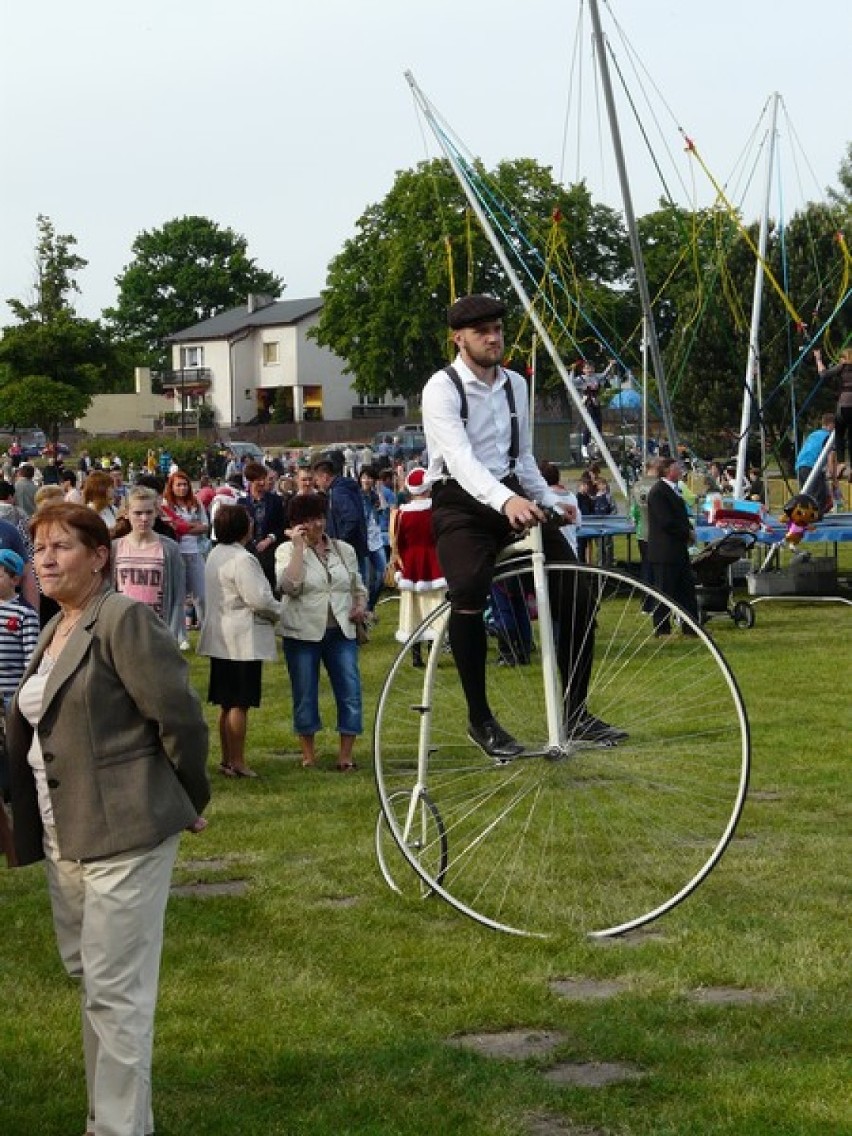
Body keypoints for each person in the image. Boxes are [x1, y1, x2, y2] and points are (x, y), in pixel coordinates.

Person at [5, 502, 209, 1136]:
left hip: (126, 827)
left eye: (61, 546)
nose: (45, 558)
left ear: (100, 556)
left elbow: (178, 717)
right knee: (90, 977)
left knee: (116, 991)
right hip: (64, 829)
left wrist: (187, 798)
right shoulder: (55, 625)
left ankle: (121, 1127)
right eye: (38, 548)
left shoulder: (120, 619)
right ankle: (106, 1116)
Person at [421, 293, 626, 757]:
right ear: (459, 338)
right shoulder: (442, 388)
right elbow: (461, 459)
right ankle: (481, 720)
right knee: (470, 587)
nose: (493, 338)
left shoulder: (515, 383)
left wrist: (547, 497)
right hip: (460, 500)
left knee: (577, 588)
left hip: (513, 494)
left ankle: (576, 711)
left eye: (497, 328)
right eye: (481, 331)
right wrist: (507, 499)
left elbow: (522, 455)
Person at [275, 492, 368, 771]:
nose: (317, 525)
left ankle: (346, 755)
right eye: (309, 520)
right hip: (302, 632)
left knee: (350, 689)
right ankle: (308, 755)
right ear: (297, 524)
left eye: (320, 517)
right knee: (305, 691)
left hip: (341, 630)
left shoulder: (344, 549)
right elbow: (290, 587)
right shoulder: (286, 551)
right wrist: (299, 548)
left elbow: (358, 586)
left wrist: (360, 605)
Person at [198, 504, 282, 780]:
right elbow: (258, 599)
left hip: (221, 636)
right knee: (239, 703)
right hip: (241, 639)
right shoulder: (243, 559)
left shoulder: (214, 554)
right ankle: (237, 760)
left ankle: (226, 759)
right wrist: (280, 611)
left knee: (225, 702)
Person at [111, 486, 187, 645]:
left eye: (148, 512)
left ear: (157, 512)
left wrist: (171, 636)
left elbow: (177, 597)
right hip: (121, 630)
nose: (144, 518)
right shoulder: (115, 548)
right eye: (138, 513)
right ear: (126, 513)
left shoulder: (169, 549)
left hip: (158, 631)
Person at [390, 466, 447, 668]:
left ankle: (416, 656)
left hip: (411, 564)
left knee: (412, 611)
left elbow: (398, 544)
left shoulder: (401, 515)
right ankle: (433, 653)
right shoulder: (436, 511)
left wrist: (399, 567)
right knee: (435, 608)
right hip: (434, 562)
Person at [646, 456, 699, 638]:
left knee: (686, 590)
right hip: (664, 552)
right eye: (677, 467)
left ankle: (691, 628)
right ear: (668, 470)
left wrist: (689, 529)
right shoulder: (658, 492)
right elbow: (666, 522)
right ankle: (662, 629)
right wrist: (686, 533)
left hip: (678, 551)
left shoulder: (675, 490)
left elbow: (680, 516)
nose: (681, 471)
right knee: (664, 591)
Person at [162, 469, 209, 630]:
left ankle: (205, 628)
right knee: (178, 597)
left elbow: (205, 526)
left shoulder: (196, 503)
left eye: (185, 485)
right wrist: (190, 526)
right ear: (172, 486)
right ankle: (180, 634)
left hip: (194, 552)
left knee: (201, 595)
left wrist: (184, 527)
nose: (182, 488)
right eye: (178, 485)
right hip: (176, 552)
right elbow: (171, 528)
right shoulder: (166, 505)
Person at [310, 452, 368, 572]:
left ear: (325, 477)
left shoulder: (338, 493)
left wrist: (340, 541)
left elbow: (351, 518)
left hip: (348, 549)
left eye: (317, 480)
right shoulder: (347, 487)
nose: (317, 484)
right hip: (357, 544)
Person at [238, 461, 287, 588]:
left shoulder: (275, 501)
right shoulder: (241, 502)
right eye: (257, 480)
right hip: (249, 551)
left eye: (263, 479)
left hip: (270, 551)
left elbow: (281, 525)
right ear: (250, 481)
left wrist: (269, 539)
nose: (261, 483)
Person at [0, 548, 39, 705]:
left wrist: (26, 691)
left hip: (12, 696)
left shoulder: (25, 613)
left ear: (15, 580)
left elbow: (32, 658)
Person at [814, 347, 852, 478]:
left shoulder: (843, 367)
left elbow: (823, 374)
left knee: (840, 435)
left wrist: (818, 359)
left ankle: (841, 462)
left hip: (844, 406)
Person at [358, 466, 387, 612]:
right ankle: (364, 610)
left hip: (376, 541)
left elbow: (383, 508)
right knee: (365, 579)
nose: (366, 480)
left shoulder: (375, 495)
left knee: (383, 575)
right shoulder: (356, 496)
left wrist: (379, 490)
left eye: (369, 477)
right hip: (363, 541)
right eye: (364, 477)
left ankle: (370, 606)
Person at [794, 413, 836, 515]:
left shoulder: (813, 434)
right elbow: (831, 458)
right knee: (819, 496)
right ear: (831, 424)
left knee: (808, 494)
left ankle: (807, 514)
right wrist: (834, 478)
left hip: (801, 465)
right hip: (812, 467)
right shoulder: (829, 437)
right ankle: (815, 517)